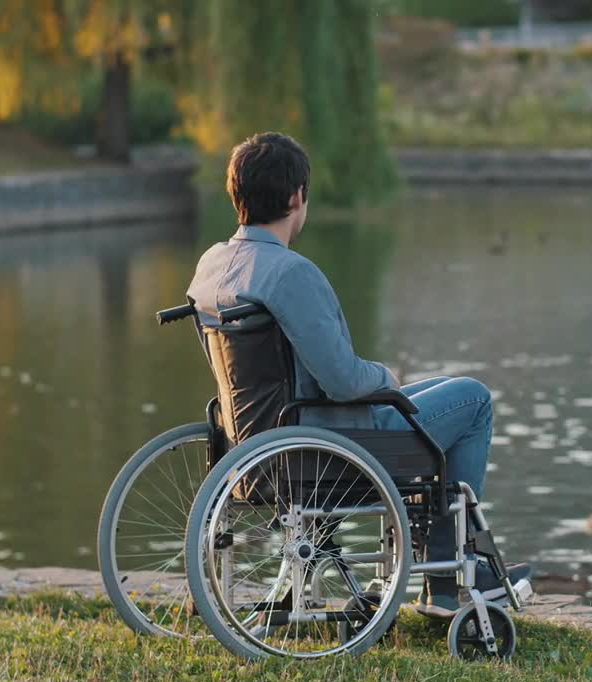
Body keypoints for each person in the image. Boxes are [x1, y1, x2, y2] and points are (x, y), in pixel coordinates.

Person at [185, 132, 529, 617]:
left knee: (431, 390)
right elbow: (345, 382)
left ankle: (446, 577)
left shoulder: (212, 265)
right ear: (296, 198)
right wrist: (384, 374)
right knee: (472, 399)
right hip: (322, 445)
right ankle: (455, 572)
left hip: (250, 443)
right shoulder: (290, 273)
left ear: (236, 194)